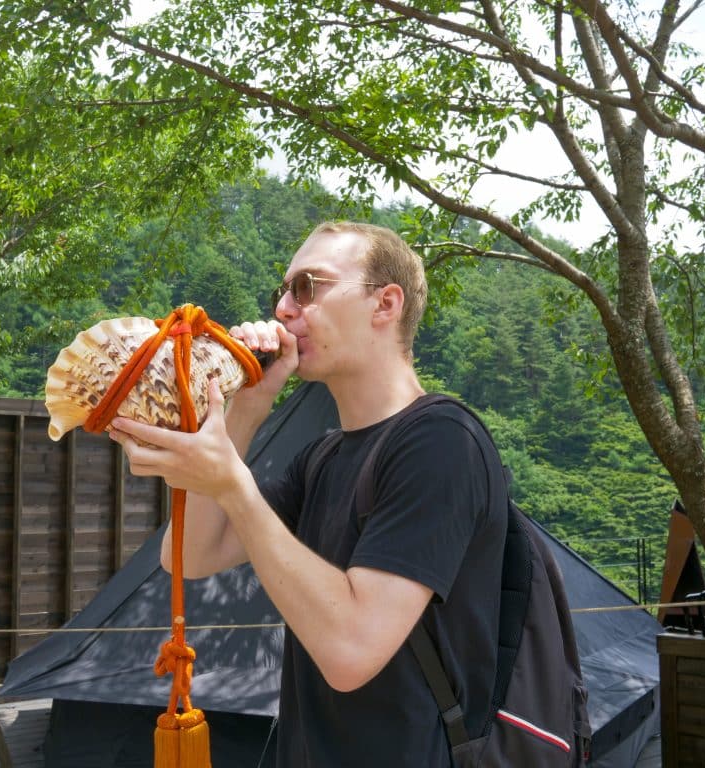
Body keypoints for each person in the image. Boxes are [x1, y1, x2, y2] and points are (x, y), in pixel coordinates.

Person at [109, 221, 508, 767]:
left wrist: (231, 482)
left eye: (307, 287)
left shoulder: (442, 442)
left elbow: (350, 652)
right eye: (283, 292)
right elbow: (189, 557)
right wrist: (249, 402)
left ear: (384, 304)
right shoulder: (322, 458)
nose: (283, 311)